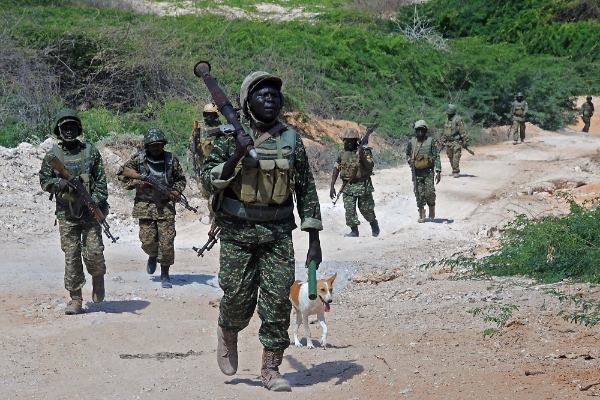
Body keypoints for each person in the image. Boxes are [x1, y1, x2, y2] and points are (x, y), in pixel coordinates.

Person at [201, 71, 323, 392]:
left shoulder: (291, 139)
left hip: (278, 232)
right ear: (246, 102)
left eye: (275, 94)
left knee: (278, 301)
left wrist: (314, 239)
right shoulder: (229, 137)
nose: (270, 98)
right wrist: (237, 154)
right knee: (238, 297)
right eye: (262, 94)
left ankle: (271, 368)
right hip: (237, 230)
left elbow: (306, 191)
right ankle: (228, 331)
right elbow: (208, 181)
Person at [39, 109, 108, 315]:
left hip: (90, 213)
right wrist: (57, 183)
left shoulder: (91, 151)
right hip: (66, 215)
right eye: (64, 127)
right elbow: (44, 181)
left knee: (95, 252)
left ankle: (98, 279)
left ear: (78, 129)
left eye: (72, 127)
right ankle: (76, 299)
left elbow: (102, 183)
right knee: (71, 256)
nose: (69, 131)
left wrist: (93, 202)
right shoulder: (53, 156)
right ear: (59, 131)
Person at [117, 128, 186, 288]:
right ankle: (152, 255)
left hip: (165, 206)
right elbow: (122, 174)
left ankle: (165, 274)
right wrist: (138, 183)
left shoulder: (171, 160)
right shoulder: (138, 160)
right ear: (147, 145)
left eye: (159, 145)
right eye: (152, 145)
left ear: (163, 144)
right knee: (147, 241)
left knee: (167, 243)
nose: (156, 148)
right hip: (145, 206)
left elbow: (180, 179)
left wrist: (176, 191)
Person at [329, 128, 379, 237]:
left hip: (363, 185)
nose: (350, 142)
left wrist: (362, 157)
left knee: (366, 209)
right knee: (349, 210)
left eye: (352, 140)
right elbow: (336, 168)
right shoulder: (342, 153)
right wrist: (332, 185)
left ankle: (374, 224)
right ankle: (354, 231)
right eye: (348, 140)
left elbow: (370, 166)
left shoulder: (365, 151)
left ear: (357, 140)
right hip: (348, 186)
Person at [405, 120, 441, 223]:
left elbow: (436, 156)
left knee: (429, 192)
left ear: (425, 130)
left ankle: (432, 208)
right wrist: (409, 161)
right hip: (417, 172)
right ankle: (421, 213)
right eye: (418, 129)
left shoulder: (431, 141)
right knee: (418, 193)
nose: (420, 131)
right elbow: (407, 154)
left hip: (428, 171)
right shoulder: (412, 142)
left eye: (422, 129)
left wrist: (438, 171)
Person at [190, 103, 224, 198]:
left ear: (215, 115)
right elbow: (193, 147)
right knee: (205, 188)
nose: (209, 116)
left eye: (211, 114)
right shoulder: (199, 128)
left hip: (217, 162)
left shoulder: (221, 127)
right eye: (207, 114)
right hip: (203, 163)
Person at [442, 104, 467, 178]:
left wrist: (464, 140)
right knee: (450, 157)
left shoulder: (458, 119)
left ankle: (456, 171)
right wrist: (443, 140)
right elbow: (445, 131)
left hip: (456, 141)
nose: (448, 114)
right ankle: (453, 170)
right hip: (448, 142)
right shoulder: (447, 120)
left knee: (456, 156)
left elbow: (462, 130)